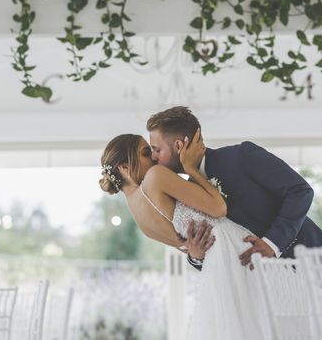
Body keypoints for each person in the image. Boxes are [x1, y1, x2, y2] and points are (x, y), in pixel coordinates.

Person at [98, 129, 266, 340]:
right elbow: (218, 209)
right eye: (144, 152)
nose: (153, 156)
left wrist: (195, 256)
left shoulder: (140, 220)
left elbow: (192, 250)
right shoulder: (155, 177)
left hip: (218, 266)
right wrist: (191, 168)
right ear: (124, 168)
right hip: (234, 245)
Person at [146, 106, 322, 270]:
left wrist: (272, 243)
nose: (153, 158)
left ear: (179, 146)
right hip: (262, 290)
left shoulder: (241, 156)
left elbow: (300, 191)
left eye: (156, 149)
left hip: (315, 266)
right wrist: (196, 257)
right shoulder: (187, 193)